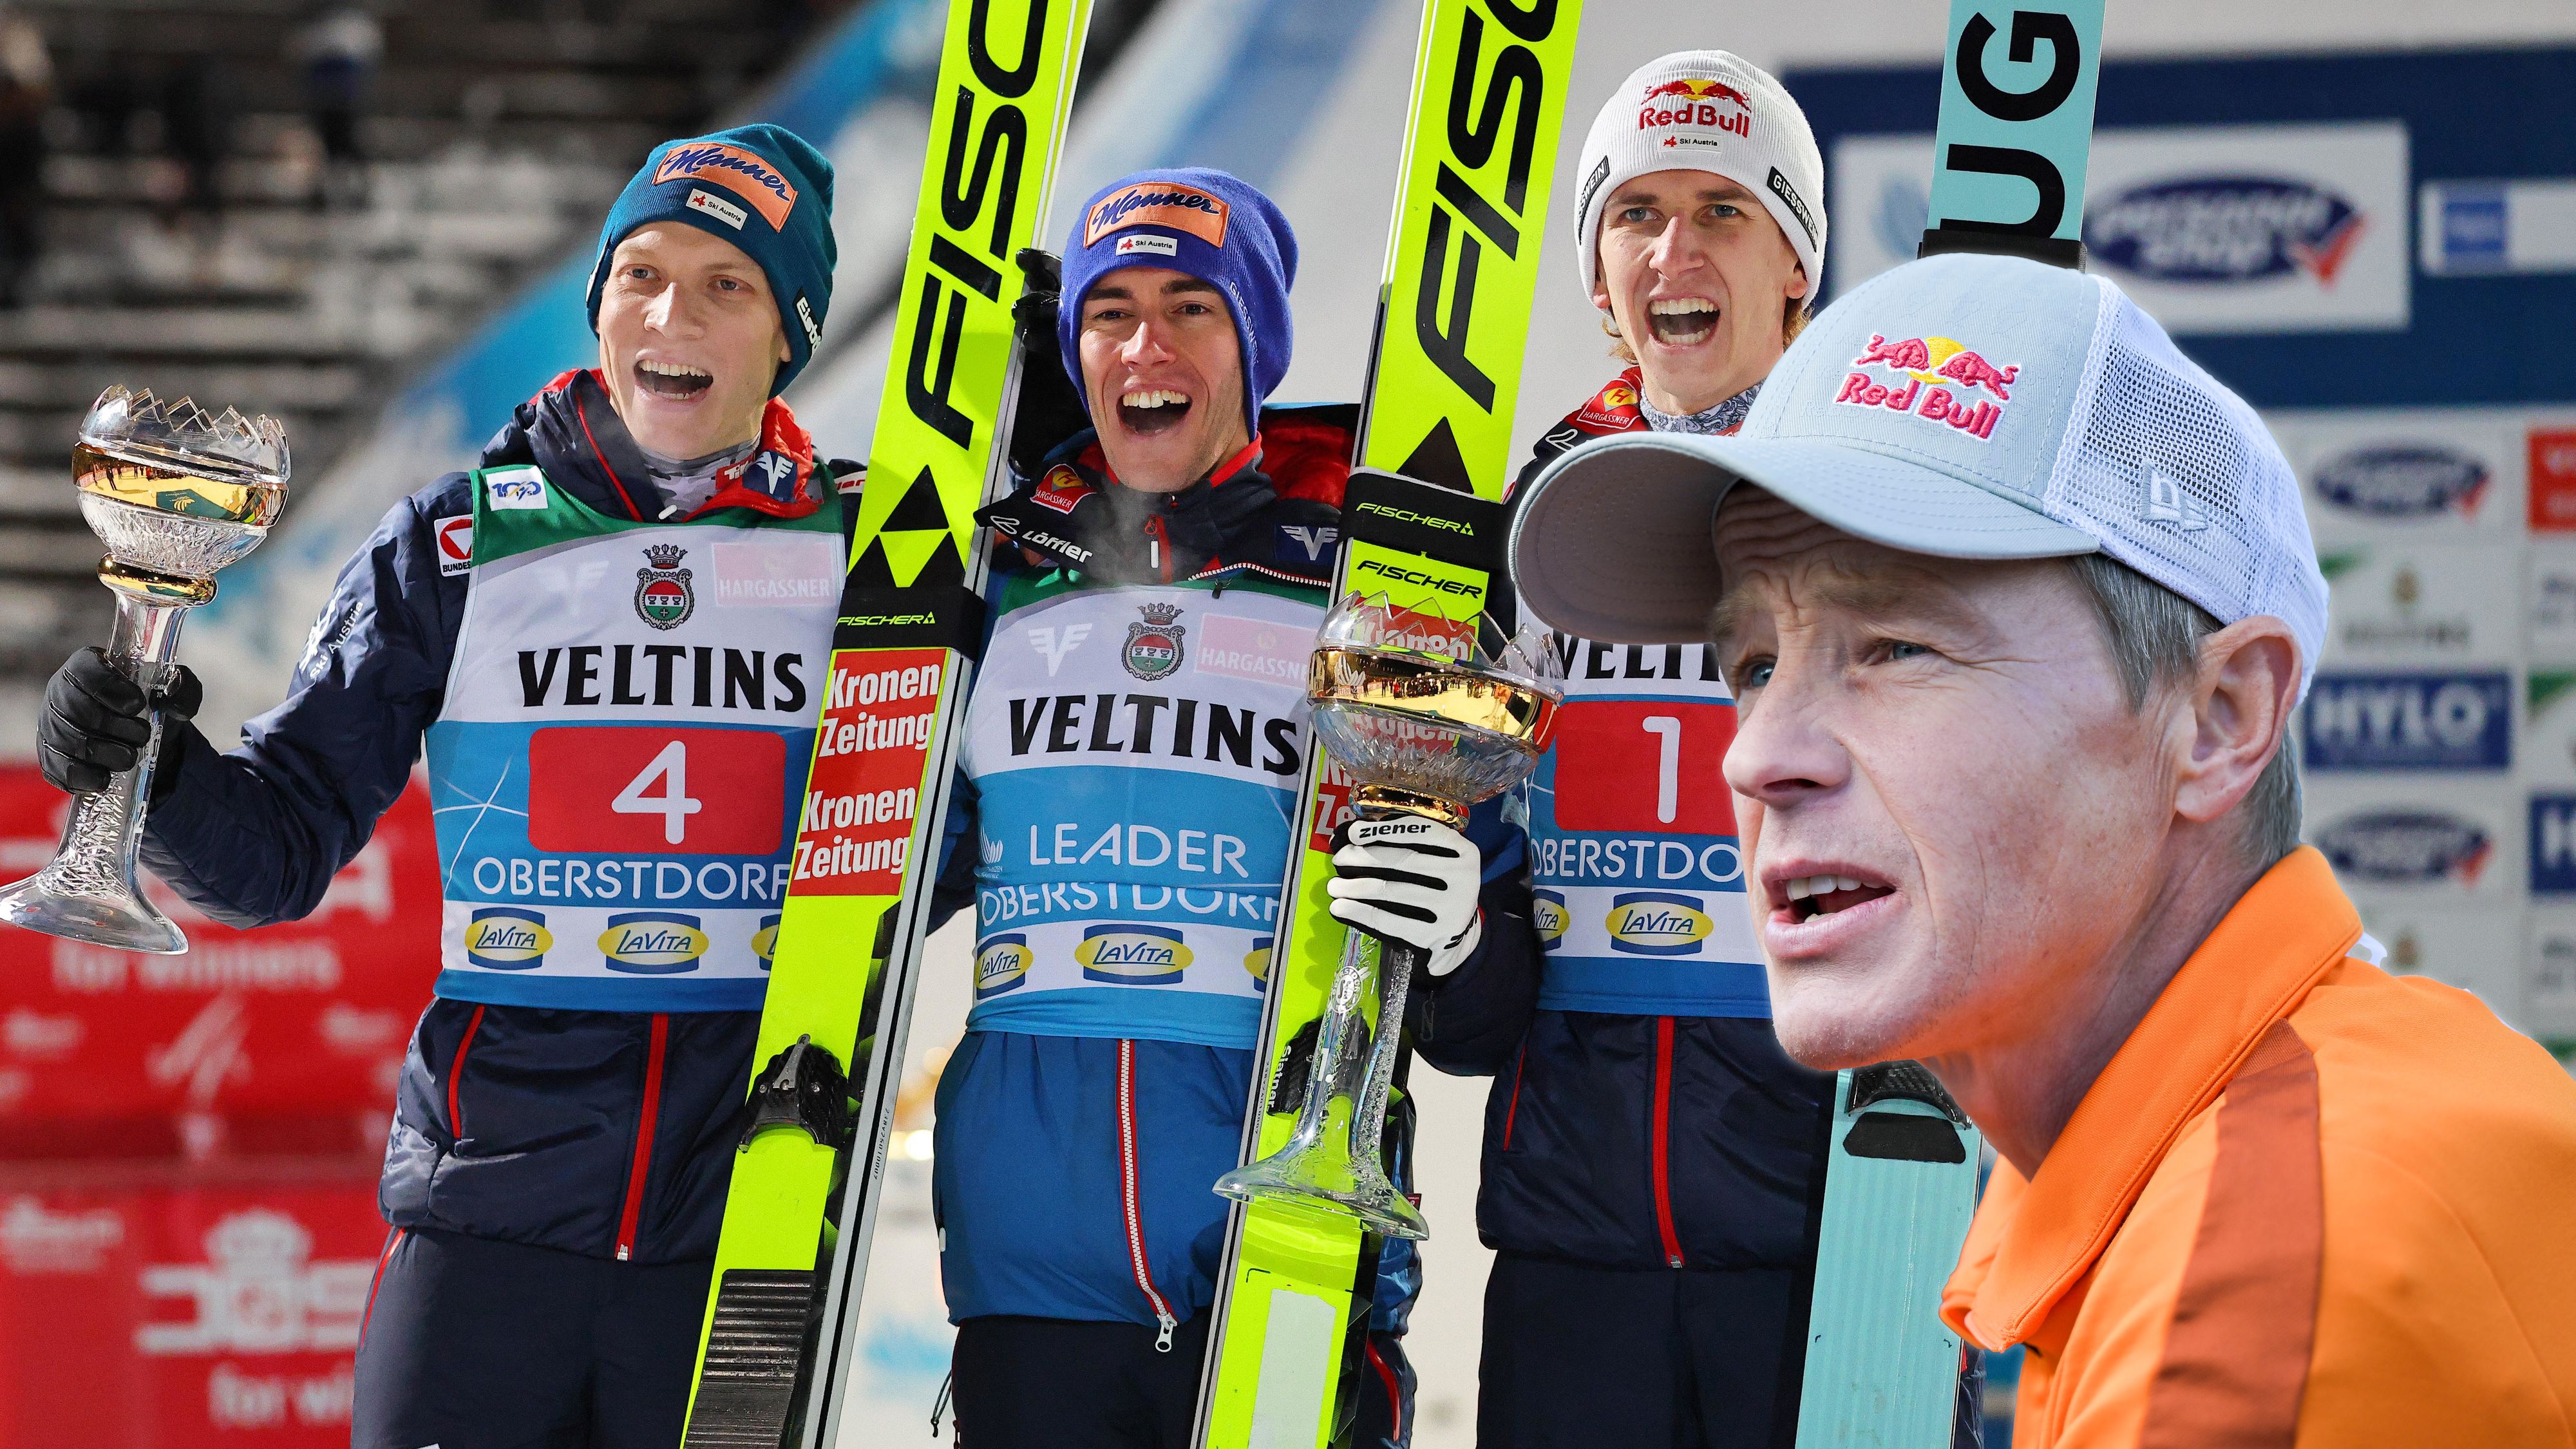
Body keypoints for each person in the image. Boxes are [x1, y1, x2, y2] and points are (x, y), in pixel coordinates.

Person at [1508, 250, 2576, 1447]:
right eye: (1754, 665)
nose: (1754, 759)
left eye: (1896, 646)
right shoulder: (2276, 1141)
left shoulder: (2264, 1282)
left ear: (2218, 720)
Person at [35, 124, 847, 1448]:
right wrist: (156, 770)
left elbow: (958, 838)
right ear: (597, 309)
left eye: (726, 285)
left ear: (787, 330)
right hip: (487, 1216)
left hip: (744, 1223)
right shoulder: (456, 542)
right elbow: (277, 851)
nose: (670, 312)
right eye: (640, 273)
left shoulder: (864, 556)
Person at [1406, 52, 1908, 1449]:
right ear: (1593, 269)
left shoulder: (1884, 507)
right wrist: (1453, 939)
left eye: (1722, 211)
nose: (1673, 249)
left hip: (1838, 1241)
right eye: (1635, 214)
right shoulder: (1535, 528)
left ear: (1795, 264)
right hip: (1576, 1253)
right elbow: (1478, 1008)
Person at [924, 167, 1469, 1448]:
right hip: (1025, 1278)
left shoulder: (1359, 582)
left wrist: (1458, 936)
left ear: (1256, 345)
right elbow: (892, 888)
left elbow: (1477, 1008)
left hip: (1280, 1244)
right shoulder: (1004, 579)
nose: (1143, 345)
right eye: (1107, 312)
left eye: (1190, 309)